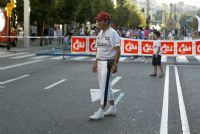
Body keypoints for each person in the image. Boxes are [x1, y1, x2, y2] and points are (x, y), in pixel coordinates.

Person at [90, 11, 121, 120]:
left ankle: (101, 110)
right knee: (106, 86)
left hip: (108, 62)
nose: (97, 22)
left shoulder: (112, 33)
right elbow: (99, 49)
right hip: (100, 62)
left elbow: (118, 50)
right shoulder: (100, 33)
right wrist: (95, 61)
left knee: (104, 87)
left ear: (106, 21)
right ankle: (112, 107)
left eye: (100, 20)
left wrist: (115, 64)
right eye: (97, 20)